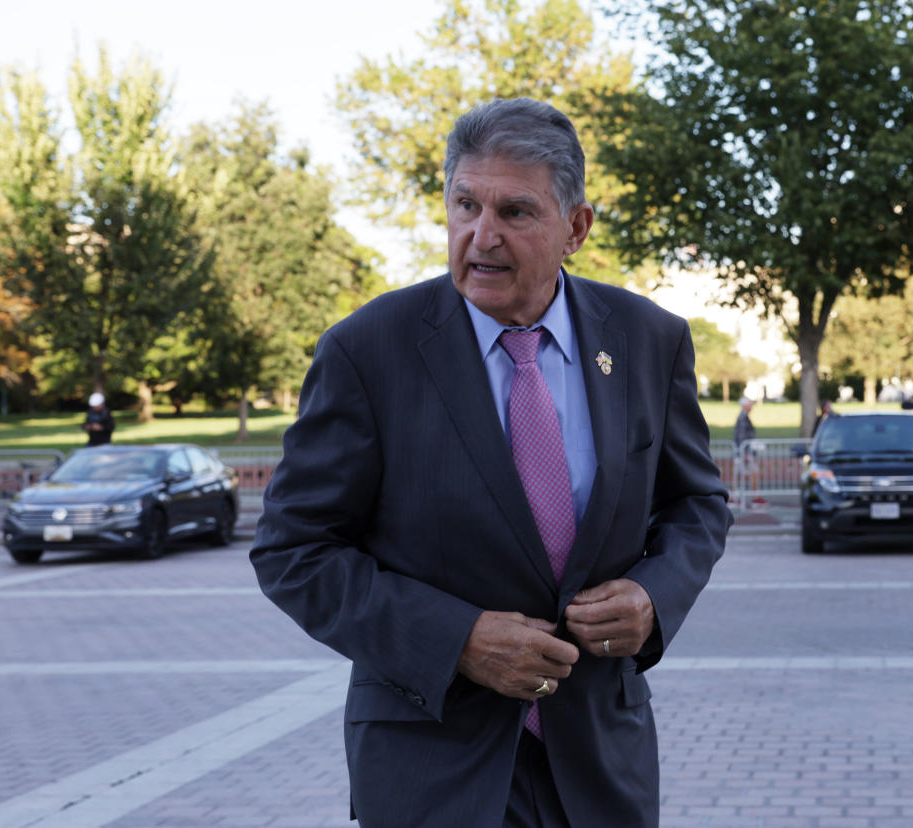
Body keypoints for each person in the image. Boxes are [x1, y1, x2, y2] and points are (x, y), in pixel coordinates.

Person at [250, 99, 731, 828]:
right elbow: (293, 550)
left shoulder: (648, 339)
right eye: (465, 204)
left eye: (515, 211)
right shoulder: (367, 350)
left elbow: (696, 506)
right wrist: (457, 641)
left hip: (601, 764)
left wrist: (653, 597)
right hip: (433, 767)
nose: (482, 236)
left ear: (576, 227)